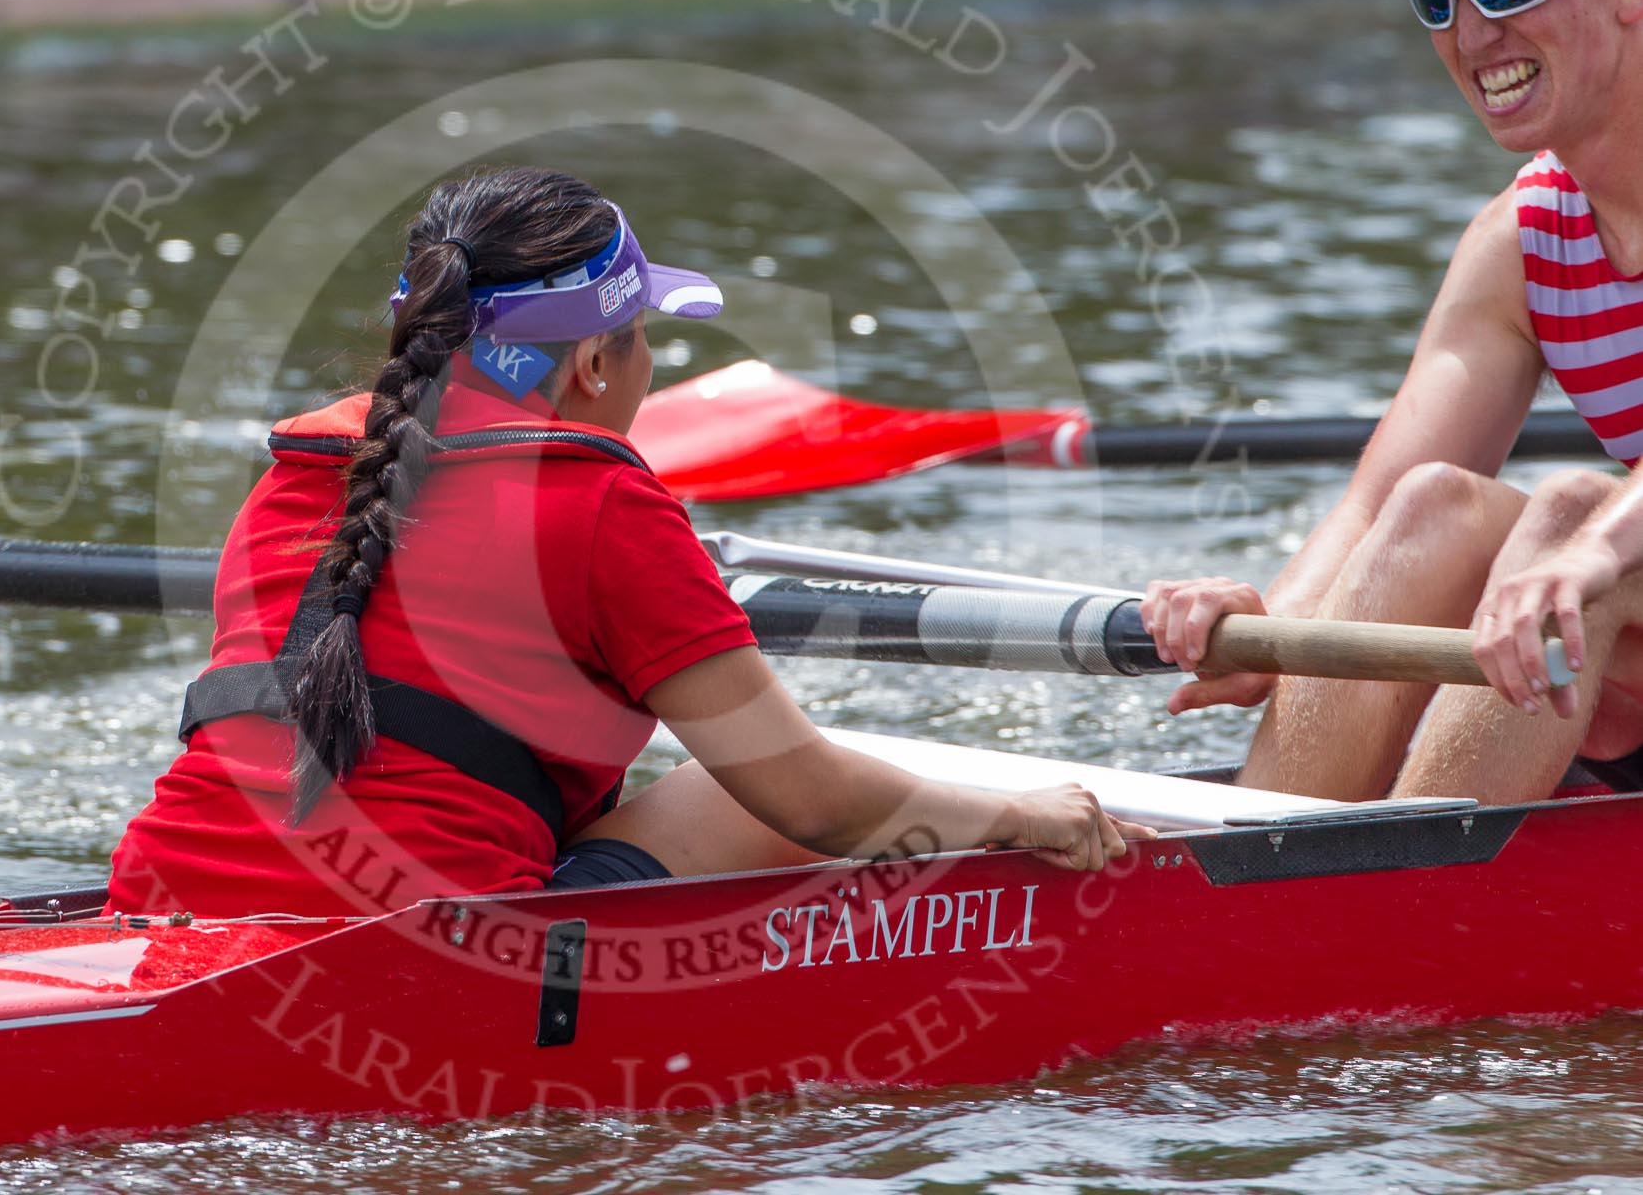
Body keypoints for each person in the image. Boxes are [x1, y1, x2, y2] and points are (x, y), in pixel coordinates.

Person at [107, 167, 1150, 918]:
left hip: (149, 899)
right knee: (746, 784)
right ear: (597, 364)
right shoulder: (605, 508)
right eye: (648, 335)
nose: (653, 366)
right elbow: (814, 801)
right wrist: (1019, 815)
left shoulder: (297, 475)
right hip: (425, 943)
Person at [1141, 0, 1643, 804]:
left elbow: (1595, 537)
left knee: (1581, 516)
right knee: (1434, 510)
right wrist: (1264, 628)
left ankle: (1387, 917)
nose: (1472, 32)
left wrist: (1589, 549)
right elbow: (1375, 508)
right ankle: (1263, 872)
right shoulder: (1521, 241)